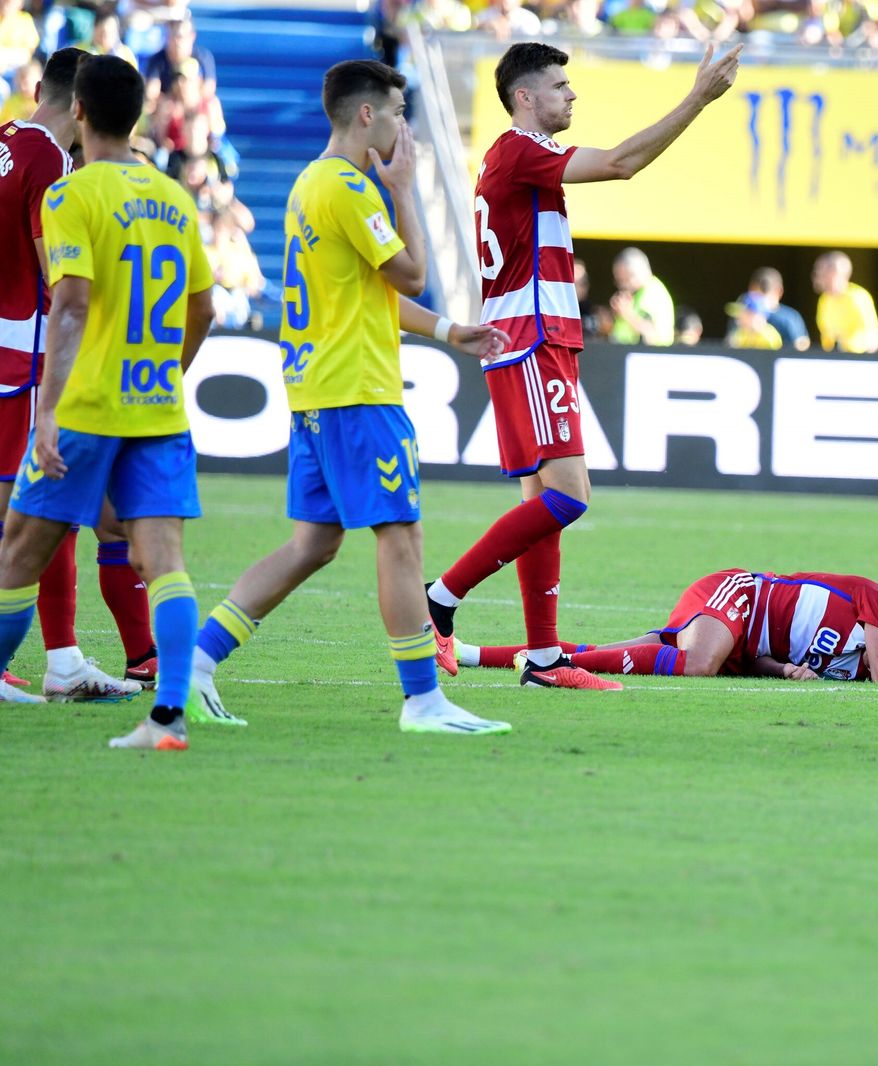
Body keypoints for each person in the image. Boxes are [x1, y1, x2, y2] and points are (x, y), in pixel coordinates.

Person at [185, 60, 513, 736]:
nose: (404, 129)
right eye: (397, 114)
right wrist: (405, 191)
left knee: (314, 544)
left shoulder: (314, 184)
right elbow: (414, 272)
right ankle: (423, 701)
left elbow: (372, 292)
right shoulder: (351, 188)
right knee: (401, 536)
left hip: (317, 388)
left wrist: (451, 331)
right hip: (357, 392)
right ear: (368, 116)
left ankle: (194, 664)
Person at [423, 41, 742, 691]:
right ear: (525, 98)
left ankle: (543, 661)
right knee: (569, 495)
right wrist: (696, 100)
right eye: (560, 86)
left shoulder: (512, 159)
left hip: (525, 342)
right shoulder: (519, 148)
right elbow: (623, 163)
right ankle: (441, 597)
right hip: (532, 341)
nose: (573, 95)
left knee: (542, 503)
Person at [0, 55, 214, 749]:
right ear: (139, 118)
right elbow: (203, 309)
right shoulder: (175, 197)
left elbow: (68, 305)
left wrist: (50, 407)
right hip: (157, 406)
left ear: (80, 114)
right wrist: (168, 371)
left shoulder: (73, 194)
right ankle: (167, 716)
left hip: (89, 402)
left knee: (17, 554)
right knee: (164, 561)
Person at [0, 47, 157, 702]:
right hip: (31, 355)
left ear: (42, 88)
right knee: (33, 511)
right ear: (85, 104)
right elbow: (59, 276)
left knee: (53, 505)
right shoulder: (55, 167)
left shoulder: (7, 142)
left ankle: (63, 657)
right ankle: (39, 660)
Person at [449, 569, 878, 685]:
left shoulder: (854, 671)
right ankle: (554, 670)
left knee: (607, 650)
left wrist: (786, 671)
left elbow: (759, 662)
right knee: (697, 666)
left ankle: (471, 655)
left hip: (745, 643)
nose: (873, 661)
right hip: (739, 597)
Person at [812, 250, 878, 353]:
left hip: (856, 359)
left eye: (820, 270)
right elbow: (827, 335)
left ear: (834, 273)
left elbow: (872, 335)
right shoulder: (824, 299)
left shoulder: (857, 297)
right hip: (833, 358)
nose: (816, 275)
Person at [608, 246, 675, 346]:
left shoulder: (653, 293)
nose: (622, 285)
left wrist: (626, 314)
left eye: (626, 279)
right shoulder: (637, 293)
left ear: (639, 271)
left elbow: (651, 334)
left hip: (650, 357)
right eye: (619, 280)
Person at [745, 266, 809, 349]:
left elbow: (801, 348)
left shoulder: (789, 318)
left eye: (764, 293)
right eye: (754, 295)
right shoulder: (743, 316)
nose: (760, 301)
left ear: (779, 291)